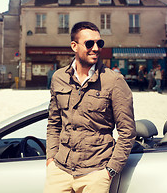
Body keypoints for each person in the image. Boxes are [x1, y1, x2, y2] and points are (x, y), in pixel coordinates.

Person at [44, 21, 136, 193]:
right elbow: (54, 123)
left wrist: (109, 171)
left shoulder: (114, 81)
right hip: (60, 170)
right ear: (74, 46)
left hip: (95, 173)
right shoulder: (59, 78)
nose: (96, 48)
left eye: (99, 43)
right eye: (89, 43)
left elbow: (127, 131)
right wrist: (51, 158)